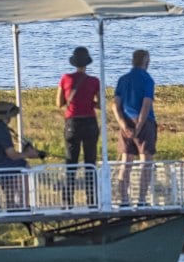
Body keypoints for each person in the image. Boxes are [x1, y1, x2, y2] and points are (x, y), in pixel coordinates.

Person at [113, 48, 158, 205]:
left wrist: (123, 125)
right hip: (144, 123)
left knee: (126, 161)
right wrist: (139, 126)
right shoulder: (147, 80)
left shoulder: (122, 79)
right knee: (146, 161)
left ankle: (124, 199)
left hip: (125, 121)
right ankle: (141, 199)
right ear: (146, 62)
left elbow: (115, 106)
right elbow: (146, 104)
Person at [57, 45, 102, 168]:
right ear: (87, 63)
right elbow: (101, 104)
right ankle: (91, 187)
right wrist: (89, 102)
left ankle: (70, 186)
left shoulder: (65, 78)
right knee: (90, 161)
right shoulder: (94, 81)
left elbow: (59, 103)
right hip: (90, 122)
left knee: (71, 160)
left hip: (72, 122)